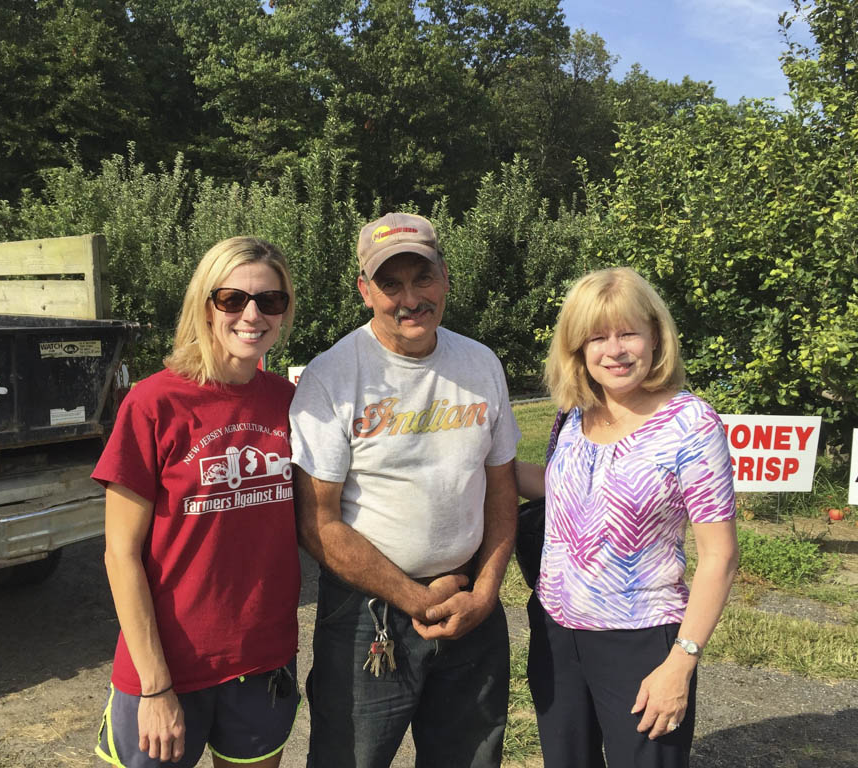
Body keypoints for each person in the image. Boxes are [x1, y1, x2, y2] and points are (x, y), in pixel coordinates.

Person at [289, 212, 522, 768]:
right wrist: (417, 600)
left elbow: (500, 491)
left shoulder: (481, 362)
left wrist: (486, 594)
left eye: (423, 278)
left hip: (470, 605)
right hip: (369, 613)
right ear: (365, 290)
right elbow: (317, 523)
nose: (409, 298)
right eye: (390, 283)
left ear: (445, 277)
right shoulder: (333, 376)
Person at [516, 266, 739, 768]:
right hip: (555, 632)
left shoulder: (690, 425)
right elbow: (557, 487)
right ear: (577, 349)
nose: (614, 350)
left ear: (656, 338)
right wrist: (477, 463)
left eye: (628, 333)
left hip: (641, 638)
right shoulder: (574, 412)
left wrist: (680, 663)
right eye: (596, 337)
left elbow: (720, 556)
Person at [93, 237, 301, 768]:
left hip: (262, 660)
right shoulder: (154, 403)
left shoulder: (290, 402)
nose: (252, 314)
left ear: (284, 311)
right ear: (205, 307)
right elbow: (120, 555)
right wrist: (156, 688)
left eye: (270, 301)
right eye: (232, 299)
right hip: (168, 669)